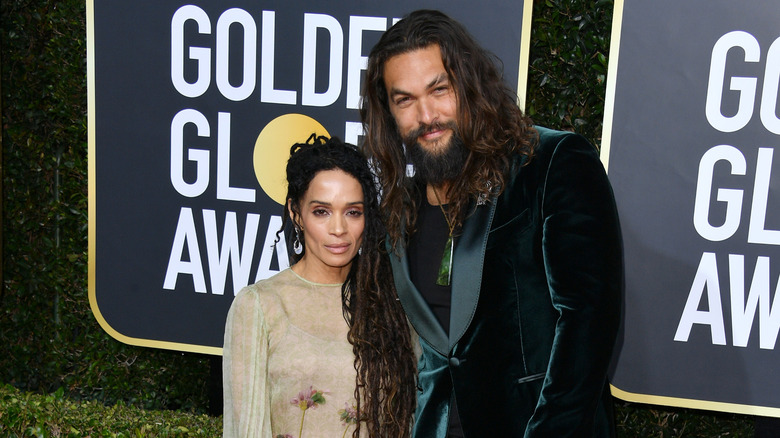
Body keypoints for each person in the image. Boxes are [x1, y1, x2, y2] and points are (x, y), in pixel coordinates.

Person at [360, 9, 623, 437]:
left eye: (439, 90)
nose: (426, 115)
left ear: (468, 83)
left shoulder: (550, 163)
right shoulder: (399, 208)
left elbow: (587, 323)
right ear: (388, 111)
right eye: (404, 99)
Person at [222, 135, 416, 437]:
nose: (338, 229)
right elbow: (246, 429)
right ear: (296, 213)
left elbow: (414, 416)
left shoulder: (393, 305)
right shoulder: (259, 306)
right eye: (321, 212)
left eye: (353, 212)